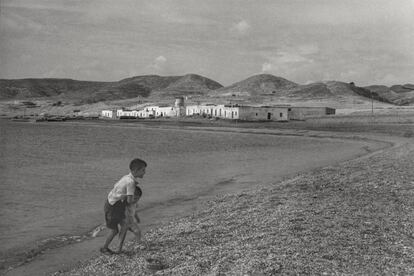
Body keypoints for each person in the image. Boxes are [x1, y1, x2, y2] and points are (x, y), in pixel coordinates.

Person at [100, 158, 147, 255]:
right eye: (143, 170)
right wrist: (133, 210)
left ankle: (119, 249)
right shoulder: (130, 182)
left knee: (124, 226)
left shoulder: (126, 177)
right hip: (113, 207)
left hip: (114, 204)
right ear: (135, 170)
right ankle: (104, 248)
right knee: (114, 230)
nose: (145, 172)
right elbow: (130, 201)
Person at [117, 186, 143, 252]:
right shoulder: (126, 203)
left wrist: (137, 218)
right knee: (122, 235)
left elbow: (135, 211)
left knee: (137, 231)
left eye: (137, 198)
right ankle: (119, 248)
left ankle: (138, 243)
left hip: (131, 222)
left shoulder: (135, 204)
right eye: (134, 198)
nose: (135, 200)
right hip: (124, 222)